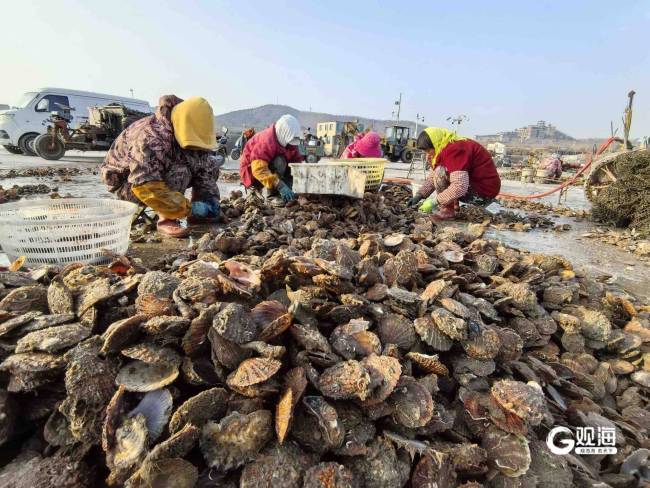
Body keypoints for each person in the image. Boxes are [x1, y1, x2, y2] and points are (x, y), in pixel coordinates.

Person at [101, 95, 222, 238]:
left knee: (210, 164)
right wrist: (188, 208)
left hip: (151, 176)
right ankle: (167, 219)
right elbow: (145, 185)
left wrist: (210, 202)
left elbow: (204, 166)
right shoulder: (151, 136)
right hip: (128, 182)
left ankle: (199, 215)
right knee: (180, 171)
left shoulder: (193, 125)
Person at [408, 127, 501, 221]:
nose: (427, 154)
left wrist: (435, 201)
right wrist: (419, 195)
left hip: (483, 190)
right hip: (475, 186)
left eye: (428, 151)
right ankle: (453, 205)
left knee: (441, 172)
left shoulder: (454, 149)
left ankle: (447, 210)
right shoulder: (442, 149)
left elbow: (460, 186)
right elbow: (432, 177)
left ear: (435, 144)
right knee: (444, 172)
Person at [239, 114, 303, 202]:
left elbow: (296, 163)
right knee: (280, 161)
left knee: (288, 164)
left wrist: (292, 183)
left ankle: (283, 193)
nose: (291, 144)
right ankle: (272, 195)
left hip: (266, 168)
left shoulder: (289, 141)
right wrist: (280, 185)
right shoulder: (266, 141)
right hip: (252, 173)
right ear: (283, 132)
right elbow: (258, 170)